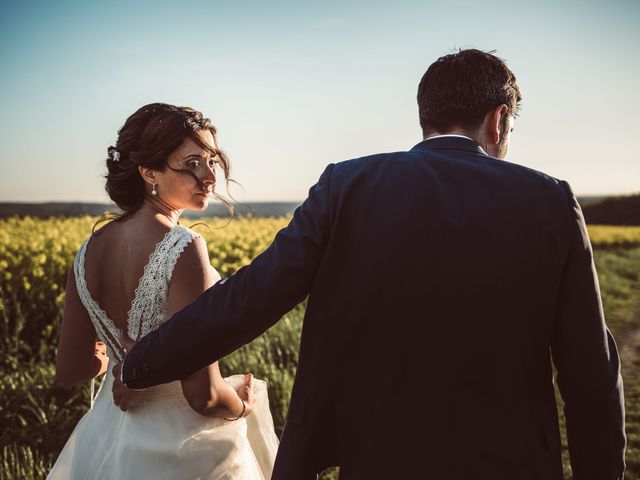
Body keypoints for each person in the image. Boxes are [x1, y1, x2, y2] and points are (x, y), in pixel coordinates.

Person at [119, 50, 626, 479]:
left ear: (426, 116)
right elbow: (590, 369)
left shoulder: (348, 185)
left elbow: (253, 295)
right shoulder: (548, 199)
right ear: (499, 120)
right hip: (509, 460)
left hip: (378, 454)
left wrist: (143, 362)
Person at [48, 103, 278, 480]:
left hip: (107, 436)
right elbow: (203, 396)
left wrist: (120, 358)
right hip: (181, 448)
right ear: (148, 172)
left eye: (211, 161)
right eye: (191, 164)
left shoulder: (86, 253)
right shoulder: (183, 247)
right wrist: (241, 406)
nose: (208, 176)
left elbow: (72, 370)